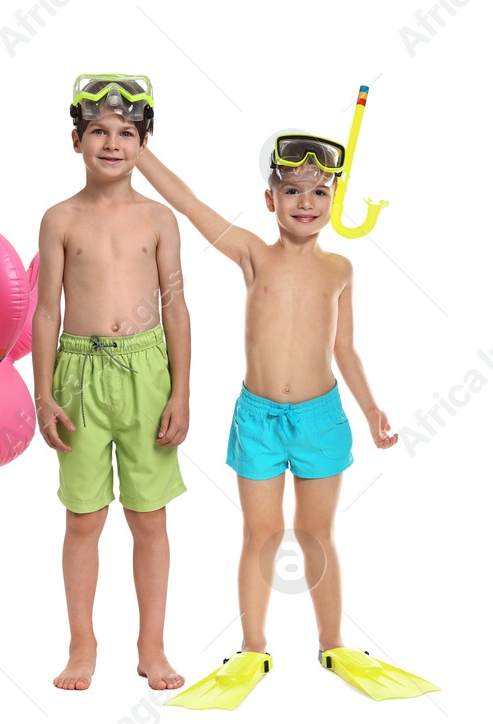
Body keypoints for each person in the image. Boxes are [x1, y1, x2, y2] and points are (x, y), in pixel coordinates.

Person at [141, 134, 437, 708]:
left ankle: (334, 644)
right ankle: (253, 648)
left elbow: (344, 349)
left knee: (317, 532)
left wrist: (372, 407)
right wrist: (141, 152)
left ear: (335, 199)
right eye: (292, 190)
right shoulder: (254, 253)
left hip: (322, 418)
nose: (307, 201)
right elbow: (192, 203)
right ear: (270, 199)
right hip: (257, 418)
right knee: (261, 533)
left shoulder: (340, 268)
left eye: (320, 191)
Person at [33, 74, 190, 692]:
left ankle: (151, 646)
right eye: (98, 130)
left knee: (149, 518)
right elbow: (47, 311)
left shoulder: (159, 217)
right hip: (79, 375)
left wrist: (180, 390)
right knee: (83, 518)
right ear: (76, 140)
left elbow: (176, 305)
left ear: (142, 144)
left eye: (127, 132)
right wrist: (43, 392)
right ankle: (82, 645)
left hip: (148, 374)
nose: (112, 142)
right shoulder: (59, 218)